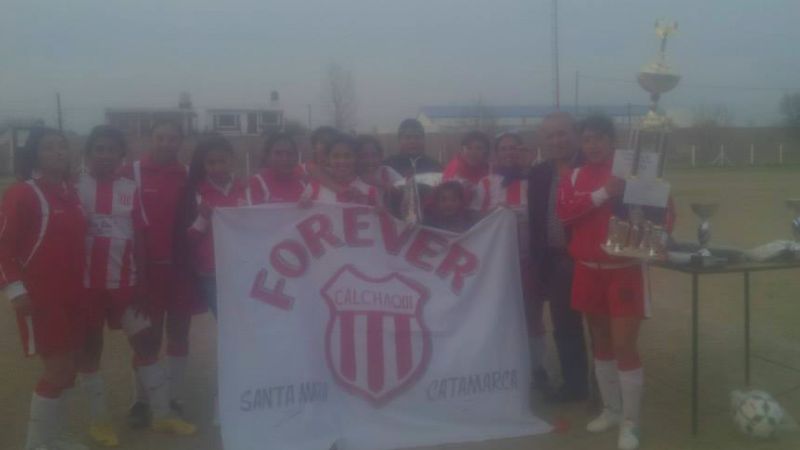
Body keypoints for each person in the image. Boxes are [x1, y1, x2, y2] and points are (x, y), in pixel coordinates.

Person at [557, 114, 674, 450]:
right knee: (601, 342)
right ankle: (611, 409)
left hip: (623, 270)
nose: (592, 145)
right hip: (586, 269)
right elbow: (564, 212)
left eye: (599, 138)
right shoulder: (574, 174)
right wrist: (603, 193)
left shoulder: (634, 171)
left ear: (612, 141)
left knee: (624, 345)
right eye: (587, 138)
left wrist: (660, 236)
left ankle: (631, 423)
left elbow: (665, 210)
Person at [0, 127, 88, 450]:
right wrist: (14, 290)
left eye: (62, 146)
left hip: (75, 295)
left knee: (71, 369)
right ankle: (37, 444)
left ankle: (56, 436)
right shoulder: (23, 193)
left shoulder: (71, 193)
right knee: (57, 369)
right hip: (42, 298)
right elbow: (3, 246)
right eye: (48, 147)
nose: (57, 153)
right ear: (35, 154)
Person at [75, 125, 153, 447]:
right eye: (99, 148)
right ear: (89, 152)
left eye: (112, 149)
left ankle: (160, 411)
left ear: (122, 156)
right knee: (91, 351)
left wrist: (144, 282)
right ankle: (99, 422)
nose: (105, 155)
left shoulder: (131, 189)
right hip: (87, 286)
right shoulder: (74, 186)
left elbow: (142, 237)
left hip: (126, 283)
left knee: (147, 344)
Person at [122, 120, 198, 434]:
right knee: (147, 340)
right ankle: (142, 401)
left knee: (179, 334)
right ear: (149, 139)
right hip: (147, 270)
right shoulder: (131, 172)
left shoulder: (189, 175)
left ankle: (173, 398)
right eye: (160, 138)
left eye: (172, 138)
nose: (166, 143)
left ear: (181, 142)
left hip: (181, 270)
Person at [471, 131, 548, 396]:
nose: (510, 152)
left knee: (533, 316)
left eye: (514, 148)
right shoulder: (484, 184)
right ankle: (499, 368)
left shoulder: (536, 183)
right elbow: (473, 223)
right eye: (504, 148)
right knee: (497, 317)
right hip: (496, 267)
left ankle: (537, 369)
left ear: (523, 151)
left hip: (529, 261)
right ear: (496, 154)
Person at [528, 112, 589, 402]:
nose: (557, 140)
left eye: (562, 133)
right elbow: (536, 222)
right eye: (550, 135)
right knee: (565, 326)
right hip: (556, 261)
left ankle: (611, 390)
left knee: (603, 327)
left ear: (575, 134)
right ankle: (575, 386)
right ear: (543, 141)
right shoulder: (538, 173)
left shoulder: (593, 167)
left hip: (591, 259)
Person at [186, 134, 247, 316]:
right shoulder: (196, 193)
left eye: (222, 161)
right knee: (224, 322)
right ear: (204, 165)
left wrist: (247, 215)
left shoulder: (245, 189)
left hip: (242, 267)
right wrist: (202, 219)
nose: (217, 167)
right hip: (211, 271)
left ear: (232, 160)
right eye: (211, 163)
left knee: (246, 320)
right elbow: (189, 239)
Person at [302, 135, 380, 206]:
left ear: (356, 158)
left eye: (348, 156)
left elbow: (378, 217)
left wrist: (366, 204)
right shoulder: (314, 186)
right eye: (336, 156)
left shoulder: (370, 190)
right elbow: (298, 215)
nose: (342, 161)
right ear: (328, 159)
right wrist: (303, 208)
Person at [247, 133, 306, 205]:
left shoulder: (303, 183)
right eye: (278, 153)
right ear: (267, 157)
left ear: (296, 157)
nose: (285, 159)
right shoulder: (257, 183)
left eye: (289, 153)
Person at [355, 135, 403, 213]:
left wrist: (381, 183)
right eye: (364, 156)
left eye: (374, 155)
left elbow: (404, 192)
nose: (370, 160)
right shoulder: (353, 175)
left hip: (384, 220)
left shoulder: (386, 172)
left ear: (381, 156)